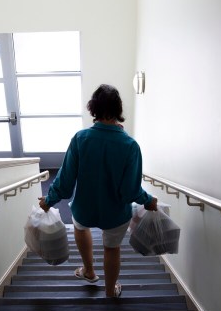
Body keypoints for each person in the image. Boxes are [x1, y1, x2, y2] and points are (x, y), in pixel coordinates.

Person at [39, 84, 157, 298]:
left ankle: (89, 271)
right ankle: (111, 292)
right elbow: (131, 190)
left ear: (93, 109)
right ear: (118, 110)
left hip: (84, 209)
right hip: (115, 213)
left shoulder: (80, 139)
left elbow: (65, 182)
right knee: (112, 249)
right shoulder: (130, 145)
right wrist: (147, 200)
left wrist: (49, 200)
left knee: (80, 228)